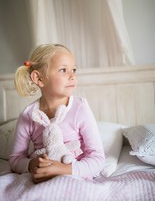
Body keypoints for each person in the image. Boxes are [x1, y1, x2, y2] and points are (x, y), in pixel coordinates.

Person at [9, 43, 105, 183]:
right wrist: (31, 165)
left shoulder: (80, 108)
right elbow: (15, 159)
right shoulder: (28, 115)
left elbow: (98, 159)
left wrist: (62, 169)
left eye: (74, 69)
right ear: (39, 78)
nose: (72, 76)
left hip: (75, 175)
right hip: (41, 178)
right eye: (63, 70)